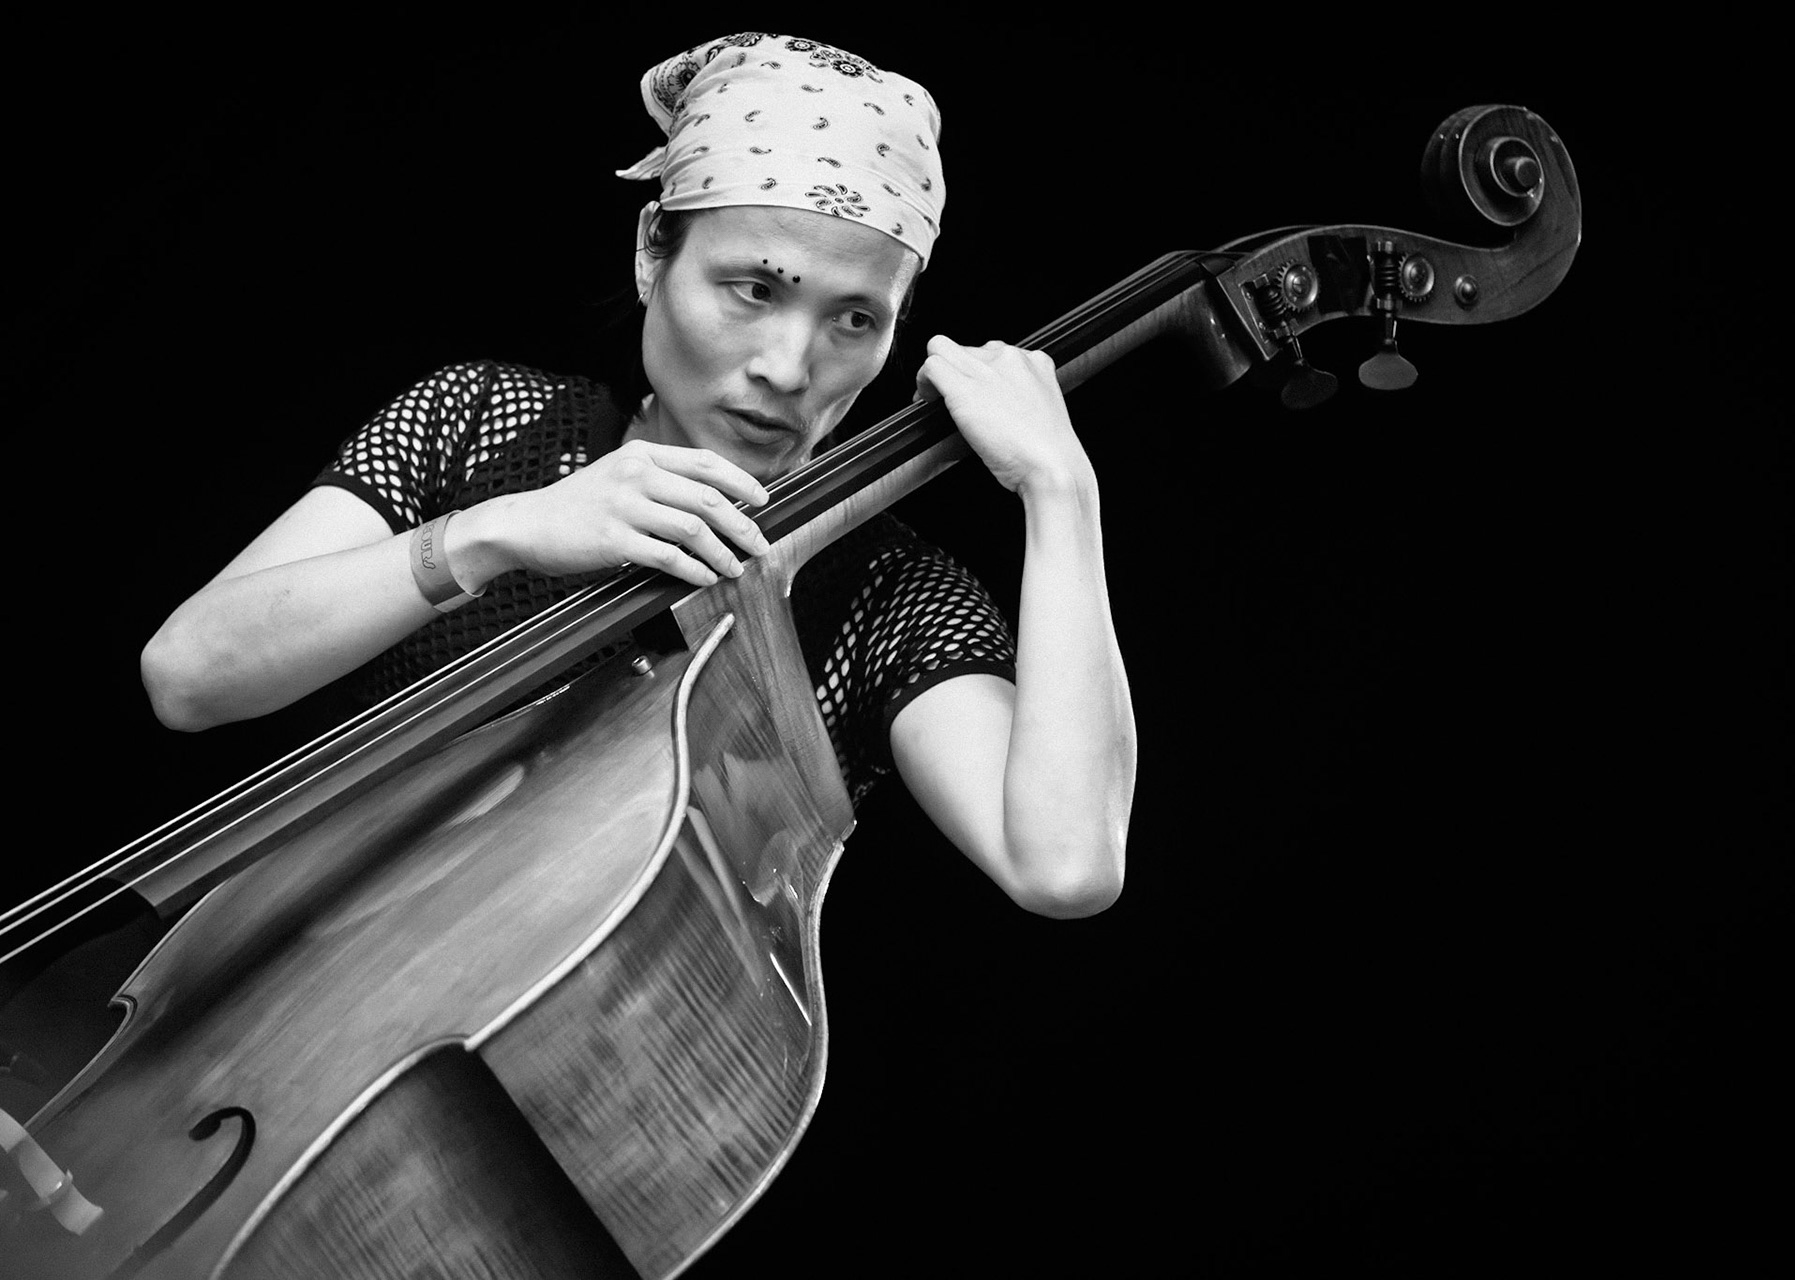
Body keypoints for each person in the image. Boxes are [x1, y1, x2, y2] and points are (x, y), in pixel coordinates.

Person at [138, 32, 1135, 919]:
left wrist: (1063, 495)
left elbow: (1062, 864)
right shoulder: (485, 417)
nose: (790, 368)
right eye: (754, 288)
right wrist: (497, 531)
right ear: (653, 252)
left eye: (854, 319)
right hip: (263, 994)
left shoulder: (887, 599)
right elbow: (188, 676)